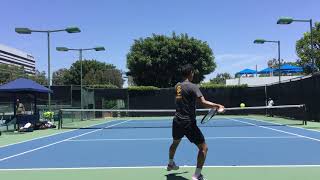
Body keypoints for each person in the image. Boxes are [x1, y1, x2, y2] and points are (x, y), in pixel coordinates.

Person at [167, 64, 224, 180]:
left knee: (175, 143)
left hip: (177, 121)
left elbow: (183, 100)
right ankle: (197, 175)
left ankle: (170, 163)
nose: (193, 75)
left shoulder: (177, 86)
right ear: (190, 73)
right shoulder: (193, 86)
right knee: (204, 148)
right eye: (193, 73)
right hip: (188, 122)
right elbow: (203, 102)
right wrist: (217, 105)